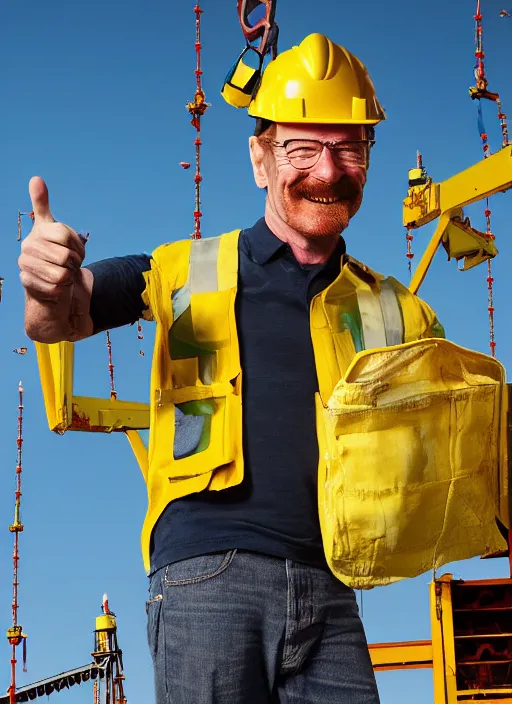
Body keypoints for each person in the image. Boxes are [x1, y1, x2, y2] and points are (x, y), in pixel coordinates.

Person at [20, 33, 443, 704]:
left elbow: (454, 447)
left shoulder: (401, 312)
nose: (327, 171)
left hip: (334, 586)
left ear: (368, 158)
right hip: (210, 578)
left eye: (347, 148)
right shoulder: (184, 269)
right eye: (302, 148)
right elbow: (64, 317)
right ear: (259, 157)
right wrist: (46, 286)